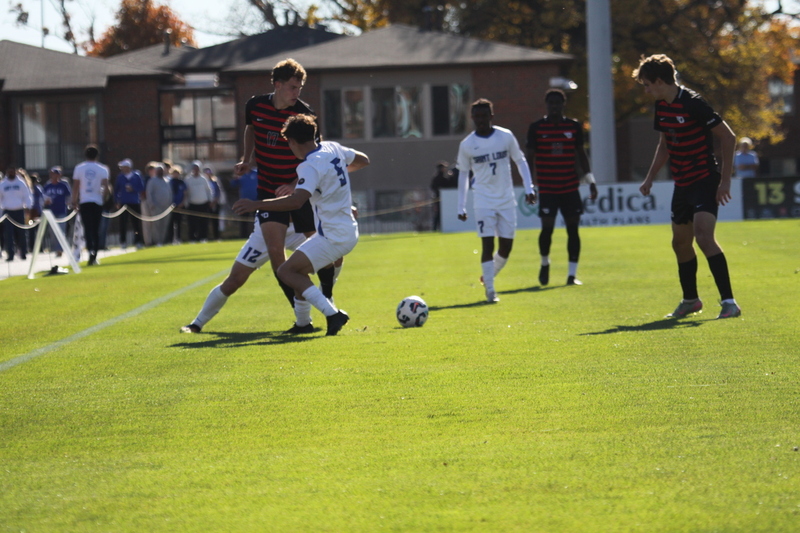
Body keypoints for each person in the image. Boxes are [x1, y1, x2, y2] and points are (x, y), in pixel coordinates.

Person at [233, 114, 369, 335]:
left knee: (286, 271)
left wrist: (256, 204)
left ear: (293, 142)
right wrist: (334, 175)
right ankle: (303, 324)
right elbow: (364, 160)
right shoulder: (332, 148)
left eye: (289, 143)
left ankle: (333, 314)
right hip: (345, 230)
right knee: (297, 272)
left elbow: (296, 201)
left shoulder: (309, 166)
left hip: (332, 236)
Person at [634, 54, 741, 319]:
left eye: (647, 84)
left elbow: (729, 138)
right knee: (680, 243)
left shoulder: (693, 104)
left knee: (704, 237)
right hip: (681, 184)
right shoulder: (662, 106)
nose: (645, 90)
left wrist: (725, 180)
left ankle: (729, 302)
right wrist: (649, 178)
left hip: (704, 179)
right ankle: (690, 300)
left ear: (659, 81)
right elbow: (664, 145)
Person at [233, 58, 334, 316]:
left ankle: (327, 294)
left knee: (319, 244)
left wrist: (293, 183)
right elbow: (250, 129)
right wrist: (247, 159)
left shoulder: (305, 115)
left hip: (299, 190)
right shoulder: (255, 105)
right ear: (277, 85)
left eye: (299, 87)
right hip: (267, 188)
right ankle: (299, 311)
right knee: (276, 253)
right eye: (292, 87)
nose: (296, 93)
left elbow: (316, 155)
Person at [455, 98, 535, 303]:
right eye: (477, 117)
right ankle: (490, 291)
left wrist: (529, 188)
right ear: (472, 118)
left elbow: (520, 160)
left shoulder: (505, 136)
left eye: (484, 116)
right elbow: (463, 174)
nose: (480, 120)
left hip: (506, 200)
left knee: (506, 248)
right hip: (483, 200)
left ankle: (488, 276)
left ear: (491, 116)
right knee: (487, 245)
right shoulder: (467, 145)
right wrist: (461, 205)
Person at [526, 88, 598, 286]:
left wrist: (591, 180)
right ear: (547, 105)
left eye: (558, 103)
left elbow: (581, 155)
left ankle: (571, 275)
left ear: (563, 105)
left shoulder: (574, 127)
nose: (555, 106)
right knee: (547, 229)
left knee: (573, 230)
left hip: (570, 187)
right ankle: (544, 263)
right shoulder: (537, 128)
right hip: (548, 188)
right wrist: (529, 186)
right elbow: (529, 158)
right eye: (551, 103)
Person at [71, 144, 110, 266]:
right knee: (96, 229)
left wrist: (74, 201)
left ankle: (90, 251)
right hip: (97, 201)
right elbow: (106, 187)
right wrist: (103, 198)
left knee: (88, 228)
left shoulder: (79, 168)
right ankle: (95, 254)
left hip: (85, 201)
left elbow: (76, 186)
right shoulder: (103, 168)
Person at [0, 165, 32, 261]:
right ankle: (10, 254)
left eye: (12, 171)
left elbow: (27, 195)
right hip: (8, 212)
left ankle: (23, 253)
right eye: (9, 171)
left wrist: (28, 207)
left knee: (21, 233)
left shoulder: (21, 183)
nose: (11, 173)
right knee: (8, 234)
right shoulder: (3, 184)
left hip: (19, 210)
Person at [114, 158, 145, 249]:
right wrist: (117, 201)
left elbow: (142, 187)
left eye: (124, 167)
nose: (122, 169)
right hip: (124, 202)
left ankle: (138, 241)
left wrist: (133, 188)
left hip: (134, 202)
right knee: (123, 223)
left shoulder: (137, 175)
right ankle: (123, 242)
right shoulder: (120, 177)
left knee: (136, 223)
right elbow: (116, 190)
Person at [43, 166, 72, 257]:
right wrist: (45, 202)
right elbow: (42, 198)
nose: (53, 175)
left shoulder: (63, 185)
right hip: (51, 212)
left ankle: (59, 249)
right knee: (52, 232)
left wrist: (69, 203)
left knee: (61, 231)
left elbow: (69, 196)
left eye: (55, 174)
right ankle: (55, 248)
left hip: (61, 210)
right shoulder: (47, 186)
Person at [184, 161, 215, 242]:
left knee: (204, 222)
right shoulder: (188, 179)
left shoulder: (203, 178)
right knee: (192, 223)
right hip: (192, 204)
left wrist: (210, 200)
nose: (196, 170)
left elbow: (208, 190)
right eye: (194, 168)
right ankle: (192, 238)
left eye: (197, 168)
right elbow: (186, 192)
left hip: (203, 204)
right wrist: (186, 203)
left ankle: (203, 237)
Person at [145, 164, 173, 246]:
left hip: (166, 207)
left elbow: (170, 193)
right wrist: (151, 204)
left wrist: (170, 204)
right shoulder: (152, 181)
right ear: (156, 171)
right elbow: (149, 193)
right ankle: (157, 241)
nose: (161, 172)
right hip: (156, 207)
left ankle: (163, 240)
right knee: (156, 225)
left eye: (162, 170)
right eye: (159, 170)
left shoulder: (167, 181)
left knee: (165, 224)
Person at [230, 167, 258, 238]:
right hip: (244, 202)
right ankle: (243, 236)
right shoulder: (241, 175)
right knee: (243, 220)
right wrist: (235, 178)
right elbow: (233, 184)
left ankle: (257, 235)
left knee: (257, 220)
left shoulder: (256, 173)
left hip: (256, 201)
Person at [204, 165, 226, 240]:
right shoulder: (203, 181)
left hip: (215, 203)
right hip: (206, 203)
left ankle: (216, 236)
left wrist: (214, 201)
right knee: (206, 221)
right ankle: (205, 236)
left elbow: (218, 192)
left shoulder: (215, 181)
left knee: (215, 221)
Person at [430, 161, 453, 231]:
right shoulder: (442, 178)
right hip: (440, 198)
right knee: (439, 214)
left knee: (438, 214)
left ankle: (435, 228)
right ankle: (437, 228)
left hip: (437, 197)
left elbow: (432, 187)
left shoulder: (435, 178)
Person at [167, 166, 186, 244]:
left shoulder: (181, 182)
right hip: (171, 206)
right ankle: (171, 239)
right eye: (174, 173)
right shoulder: (169, 182)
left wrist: (182, 203)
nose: (175, 175)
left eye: (177, 173)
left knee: (179, 223)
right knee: (171, 223)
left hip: (180, 205)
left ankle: (178, 238)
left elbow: (185, 193)